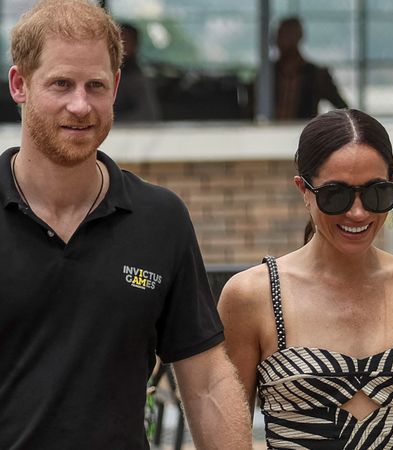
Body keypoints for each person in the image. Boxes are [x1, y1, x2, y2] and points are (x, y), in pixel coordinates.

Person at [1, 1, 252, 449]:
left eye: (95, 85)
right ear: (20, 84)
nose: (80, 105)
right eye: (61, 83)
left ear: (115, 86)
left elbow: (208, 380)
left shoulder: (161, 220)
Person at [219, 109, 393, 448]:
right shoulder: (253, 295)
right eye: (335, 195)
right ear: (304, 190)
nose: (358, 212)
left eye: (376, 193)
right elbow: (226, 436)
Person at [274, 17, 348, 120]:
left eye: (288, 35)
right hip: (267, 134)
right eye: (280, 35)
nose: (281, 40)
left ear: (299, 36)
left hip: (302, 132)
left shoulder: (317, 75)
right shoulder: (269, 74)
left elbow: (343, 109)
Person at [114, 22, 161, 122]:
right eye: (115, 43)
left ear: (135, 44)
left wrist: (111, 122)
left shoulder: (136, 80)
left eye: (124, 42)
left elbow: (148, 115)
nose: (119, 48)